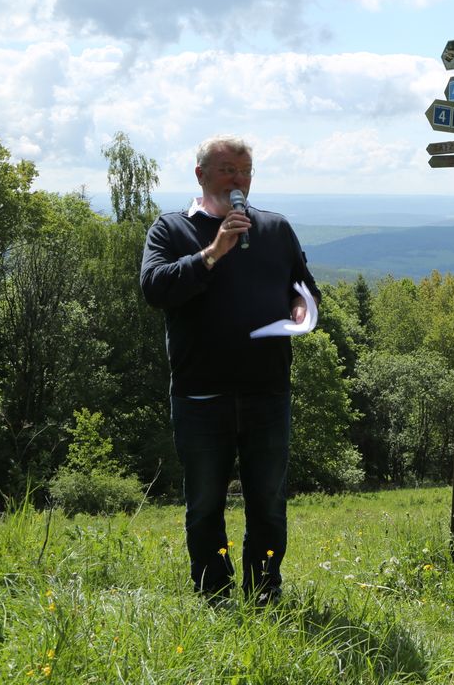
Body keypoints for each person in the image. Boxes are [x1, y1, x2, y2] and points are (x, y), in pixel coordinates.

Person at [141, 135, 320, 605]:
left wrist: (302, 309)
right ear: (201, 175)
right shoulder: (171, 229)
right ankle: (214, 595)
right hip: (201, 396)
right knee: (205, 506)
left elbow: (305, 287)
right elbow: (156, 289)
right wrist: (213, 252)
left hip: (267, 393)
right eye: (227, 170)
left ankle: (265, 591)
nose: (238, 180)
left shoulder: (275, 229)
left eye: (245, 171)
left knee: (268, 503)